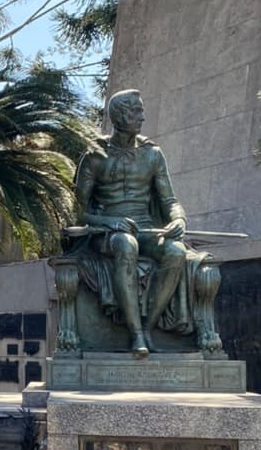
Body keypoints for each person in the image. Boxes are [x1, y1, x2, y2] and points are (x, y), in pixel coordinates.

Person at [74, 89, 189, 358]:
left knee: (176, 252)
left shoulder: (153, 154)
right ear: (119, 116)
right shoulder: (94, 155)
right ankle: (135, 334)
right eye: (136, 111)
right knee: (126, 244)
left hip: (147, 227)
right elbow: (76, 212)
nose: (143, 117)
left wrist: (179, 218)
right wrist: (110, 221)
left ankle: (148, 328)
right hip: (108, 232)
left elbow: (170, 199)